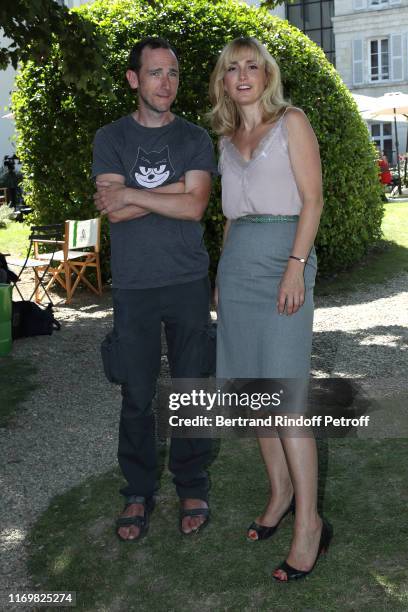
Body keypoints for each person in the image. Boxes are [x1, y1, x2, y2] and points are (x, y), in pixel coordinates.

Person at [209, 37, 332, 581]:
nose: (242, 75)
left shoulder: (292, 122)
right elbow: (232, 218)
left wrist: (294, 266)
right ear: (223, 79)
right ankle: (279, 494)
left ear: (266, 74)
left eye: (251, 66)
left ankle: (310, 523)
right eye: (232, 68)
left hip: (284, 260)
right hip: (236, 269)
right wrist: (219, 276)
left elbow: (313, 200)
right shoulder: (225, 137)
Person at [92, 37, 217, 541]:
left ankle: (192, 482)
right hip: (136, 285)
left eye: (173, 73)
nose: (166, 83)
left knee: (193, 389)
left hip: (187, 280)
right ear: (134, 80)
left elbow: (195, 208)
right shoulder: (111, 137)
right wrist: (176, 190)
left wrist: (132, 191)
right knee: (137, 395)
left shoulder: (194, 137)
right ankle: (139, 491)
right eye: (155, 73)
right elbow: (113, 209)